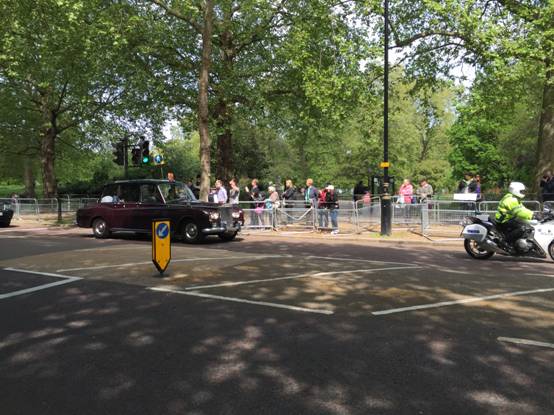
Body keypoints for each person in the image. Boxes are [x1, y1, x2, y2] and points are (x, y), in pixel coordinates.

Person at [495, 181, 535, 251]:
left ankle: (519, 241)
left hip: (509, 218)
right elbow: (519, 211)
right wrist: (532, 215)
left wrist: (533, 213)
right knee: (522, 228)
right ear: (516, 190)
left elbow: (523, 209)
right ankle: (504, 241)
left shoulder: (514, 198)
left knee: (527, 224)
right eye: (522, 191)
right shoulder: (511, 200)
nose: (523, 193)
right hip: (504, 220)